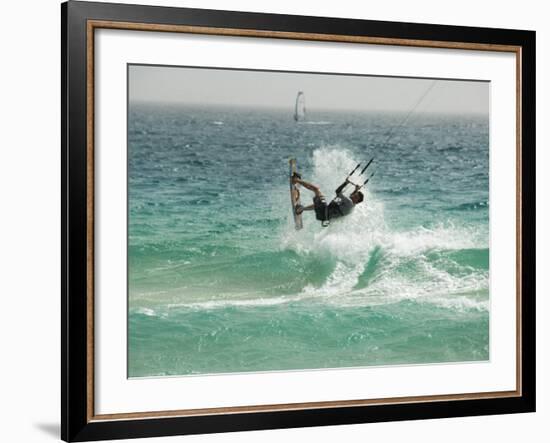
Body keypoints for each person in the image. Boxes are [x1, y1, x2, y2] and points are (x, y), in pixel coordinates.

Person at [292, 174, 364, 224]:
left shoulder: (349, 202)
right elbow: (351, 197)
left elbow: (337, 191)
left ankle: (296, 180)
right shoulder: (352, 206)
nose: (353, 194)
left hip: (324, 211)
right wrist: (356, 190)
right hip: (324, 216)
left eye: (355, 195)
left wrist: (345, 183)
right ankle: (300, 209)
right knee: (319, 204)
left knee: (316, 189)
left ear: (356, 199)